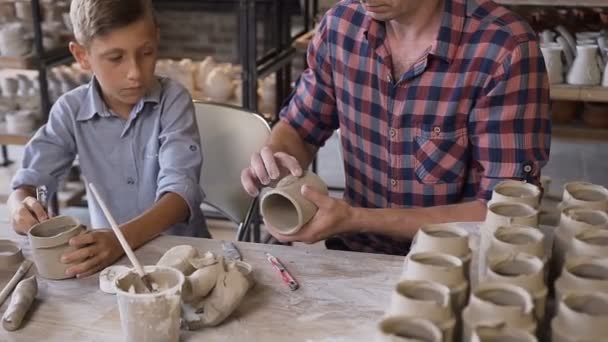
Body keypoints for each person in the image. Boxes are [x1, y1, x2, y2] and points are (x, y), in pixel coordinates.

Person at [241, 0, 551, 255]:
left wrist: (355, 219)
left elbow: (505, 210)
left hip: (457, 261)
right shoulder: (340, 28)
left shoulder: (504, 48)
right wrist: (279, 156)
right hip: (357, 255)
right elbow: (299, 128)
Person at [8, 0, 208, 278]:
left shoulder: (173, 100)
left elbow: (181, 191)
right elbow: (31, 179)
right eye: (116, 58)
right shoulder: (70, 110)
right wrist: (20, 204)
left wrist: (119, 241)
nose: (135, 73)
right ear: (82, 56)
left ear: (157, 38)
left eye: (146, 52)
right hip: (109, 264)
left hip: (184, 257)